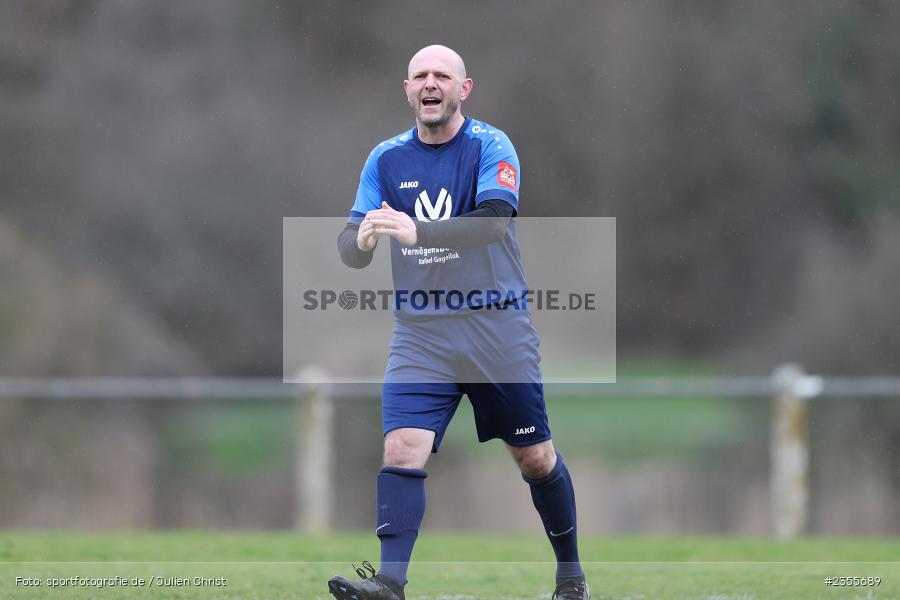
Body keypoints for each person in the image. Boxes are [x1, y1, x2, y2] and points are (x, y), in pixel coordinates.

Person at [328, 45, 588, 600]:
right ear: (407, 89)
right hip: (422, 332)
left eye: (442, 75)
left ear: (462, 89)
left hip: (497, 330)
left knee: (536, 457)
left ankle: (571, 577)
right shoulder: (385, 159)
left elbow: (494, 223)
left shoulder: (491, 145)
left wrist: (419, 232)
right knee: (401, 447)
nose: (430, 83)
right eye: (420, 75)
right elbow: (351, 246)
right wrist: (366, 238)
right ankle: (390, 585)